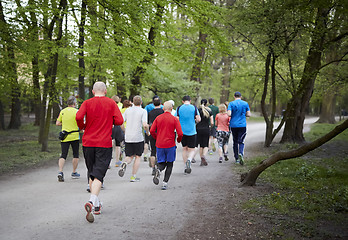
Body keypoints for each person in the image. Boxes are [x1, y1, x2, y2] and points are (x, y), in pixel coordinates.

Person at [76, 81, 123, 223]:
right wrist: (110, 120)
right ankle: (91, 201)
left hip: (88, 142)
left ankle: (96, 205)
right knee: (98, 174)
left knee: (92, 173)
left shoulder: (87, 103)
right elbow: (119, 121)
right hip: (103, 143)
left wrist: (83, 126)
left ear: (92, 91)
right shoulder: (111, 103)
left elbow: (78, 117)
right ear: (106, 91)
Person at [150, 101, 183, 190]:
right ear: (172, 109)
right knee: (170, 164)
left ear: (163, 108)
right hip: (170, 145)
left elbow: (152, 131)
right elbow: (180, 133)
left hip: (160, 144)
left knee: (161, 162)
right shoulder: (174, 119)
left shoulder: (158, 118)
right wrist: (178, 140)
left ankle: (158, 170)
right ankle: (165, 183)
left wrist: (157, 137)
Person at [118, 95, 149, 182]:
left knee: (129, 156)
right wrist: (148, 132)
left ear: (132, 102)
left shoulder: (127, 110)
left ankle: (124, 163)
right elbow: (144, 125)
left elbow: (121, 122)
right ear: (141, 103)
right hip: (138, 137)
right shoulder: (143, 111)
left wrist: (124, 131)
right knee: (138, 156)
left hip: (128, 137)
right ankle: (133, 176)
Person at [56, 96, 80, 182]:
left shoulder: (62, 111)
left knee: (63, 154)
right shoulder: (77, 112)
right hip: (75, 136)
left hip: (65, 136)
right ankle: (74, 172)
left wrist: (65, 122)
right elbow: (80, 122)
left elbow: (57, 123)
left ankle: (60, 171)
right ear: (74, 103)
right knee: (75, 154)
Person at [175, 95, 201, 174]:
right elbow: (199, 119)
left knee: (184, 148)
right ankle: (189, 159)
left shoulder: (179, 108)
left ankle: (185, 166)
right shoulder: (194, 108)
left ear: (183, 101)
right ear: (190, 101)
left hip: (182, 131)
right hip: (192, 131)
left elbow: (176, 119)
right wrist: (195, 120)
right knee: (192, 149)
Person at [227, 91, 250, 165]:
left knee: (235, 141)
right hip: (242, 125)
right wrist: (244, 114)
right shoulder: (245, 103)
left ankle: (236, 158)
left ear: (234, 96)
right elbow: (248, 114)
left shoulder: (231, 103)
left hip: (233, 125)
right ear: (241, 96)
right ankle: (241, 153)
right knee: (241, 141)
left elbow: (229, 114)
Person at [148, 98, 164, 175]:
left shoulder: (150, 112)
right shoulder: (162, 112)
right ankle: (159, 166)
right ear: (160, 103)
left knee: (153, 151)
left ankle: (153, 168)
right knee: (160, 150)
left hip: (153, 133)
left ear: (153, 104)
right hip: (161, 133)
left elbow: (149, 124)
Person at [195, 99, 213, 166]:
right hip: (206, 129)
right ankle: (204, 156)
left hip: (198, 129)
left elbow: (196, 120)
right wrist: (210, 126)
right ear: (206, 103)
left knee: (200, 146)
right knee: (205, 145)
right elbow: (212, 122)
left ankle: (201, 160)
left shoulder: (198, 110)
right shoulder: (209, 110)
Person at [111, 95, 124, 168]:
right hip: (117, 126)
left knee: (110, 143)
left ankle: (108, 162)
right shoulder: (120, 106)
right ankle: (117, 161)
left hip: (110, 126)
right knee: (118, 144)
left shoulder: (108, 106)